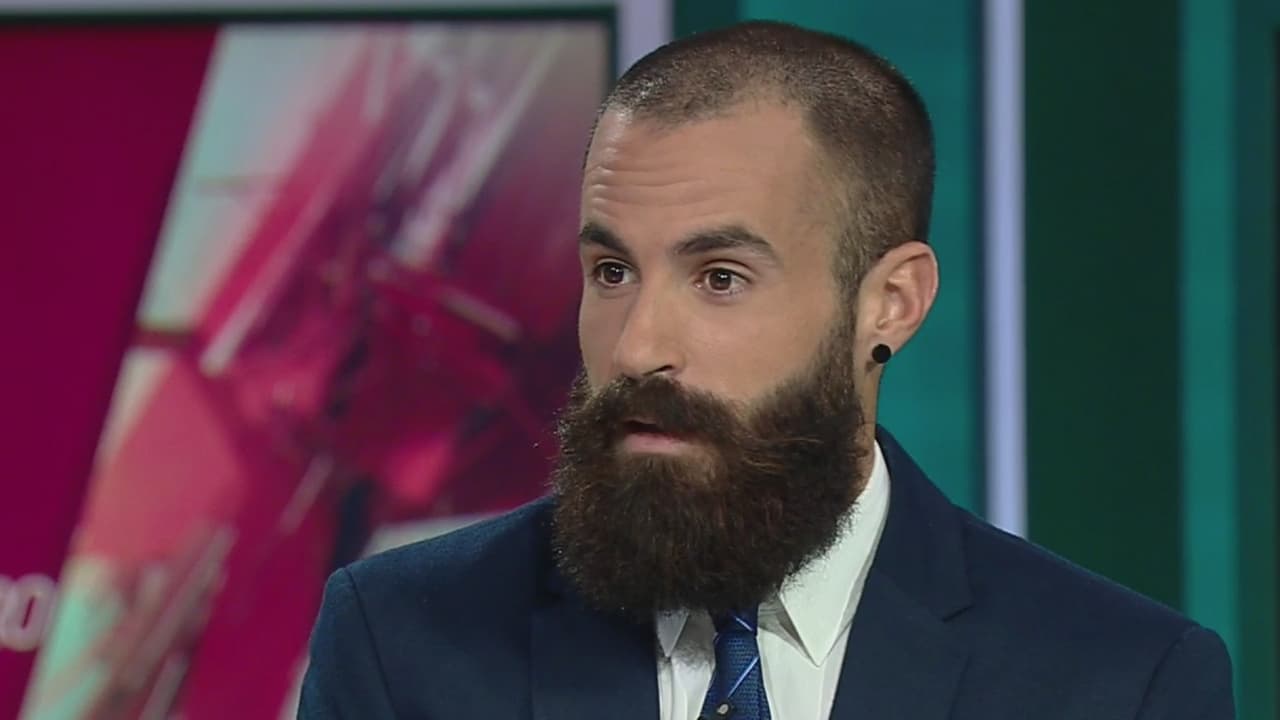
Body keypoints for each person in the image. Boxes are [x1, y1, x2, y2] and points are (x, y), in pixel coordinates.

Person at [298, 20, 1235, 720]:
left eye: (720, 277)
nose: (636, 349)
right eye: (612, 271)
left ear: (890, 304)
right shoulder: (402, 643)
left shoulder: (1120, 682)